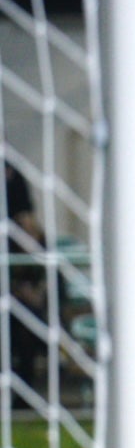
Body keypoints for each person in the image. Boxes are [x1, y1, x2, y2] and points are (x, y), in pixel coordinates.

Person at [4, 161, 48, 396]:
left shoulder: (34, 245)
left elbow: (47, 286)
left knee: (28, 326)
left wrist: (34, 294)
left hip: (26, 310)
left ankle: (24, 395)